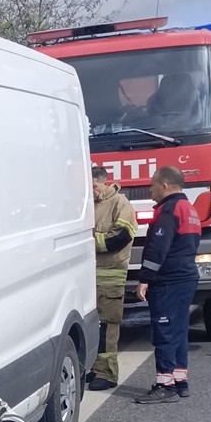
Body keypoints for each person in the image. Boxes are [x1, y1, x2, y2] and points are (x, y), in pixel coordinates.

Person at [135, 165, 202, 404]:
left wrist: (144, 279)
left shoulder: (168, 210)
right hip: (185, 278)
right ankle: (179, 380)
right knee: (179, 330)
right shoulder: (189, 208)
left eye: (152, 186)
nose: (150, 190)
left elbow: (157, 249)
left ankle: (165, 385)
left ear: (164, 186)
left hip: (168, 281)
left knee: (163, 330)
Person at [87, 166, 138, 390]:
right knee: (94, 325)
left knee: (108, 326)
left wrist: (87, 243)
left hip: (110, 277)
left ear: (104, 182)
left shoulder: (120, 203)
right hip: (89, 277)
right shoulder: (92, 205)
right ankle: (95, 368)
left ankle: (107, 374)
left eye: (94, 186)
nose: (92, 190)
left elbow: (121, 236)